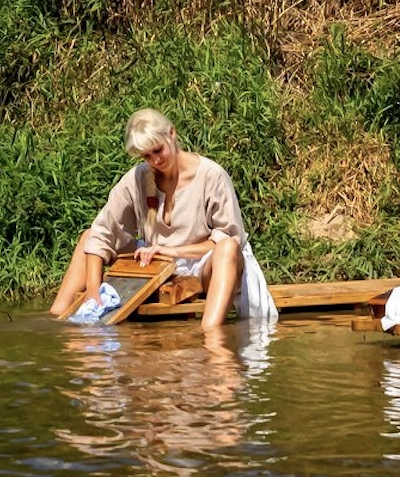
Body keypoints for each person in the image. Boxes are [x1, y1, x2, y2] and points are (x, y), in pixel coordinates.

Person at [48, 109, 277, 330]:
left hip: (201, 266)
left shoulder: (211, 175)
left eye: (158, 150)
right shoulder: (137, 179)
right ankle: (56, 320)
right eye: (147, 156)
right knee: (89, 236)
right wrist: (94, 293)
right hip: (155, 264)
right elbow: (102, 232)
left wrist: (170, 251)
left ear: (172, 134)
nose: (155, 160)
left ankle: (211, 335)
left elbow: (227, 238)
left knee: (227, 247)